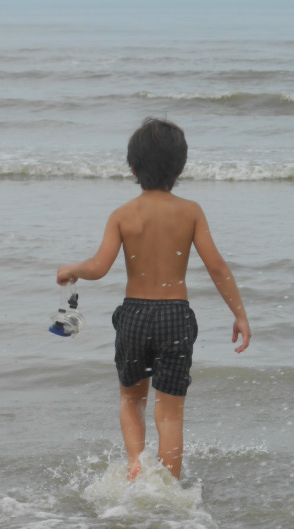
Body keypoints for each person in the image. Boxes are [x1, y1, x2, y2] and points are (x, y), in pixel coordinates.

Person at [56, 118, 251, 481]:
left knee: (132, 399)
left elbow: (99, 267)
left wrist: (73, 269)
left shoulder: (122, 215)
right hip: (175, 317)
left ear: (132, 167)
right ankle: (168, 486)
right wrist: (239, 314)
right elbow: (217, 267)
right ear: (180, 167)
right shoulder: (191, 212)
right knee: (170, 414)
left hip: (134, 317)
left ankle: (135, 463)